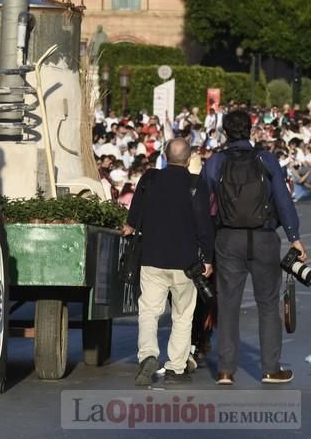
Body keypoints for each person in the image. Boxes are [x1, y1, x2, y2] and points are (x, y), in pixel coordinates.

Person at [200, 110, 306, 385]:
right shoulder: (266, 159)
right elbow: (283, 199)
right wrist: (294, 236)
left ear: (224, 131)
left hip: (228, 238)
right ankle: (271, 369)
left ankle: (225, 370)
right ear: (250, 129)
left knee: (228, 303)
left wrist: (207, 240)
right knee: (268, 304)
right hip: (263, 238)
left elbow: (204, 204)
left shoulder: (215, 163)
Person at [124, 138, 215, 386]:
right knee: (183, 315)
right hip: (186, 262)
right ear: (188, 160)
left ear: (165, 156)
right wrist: (208, 258)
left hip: (152, 257)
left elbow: (133, 217)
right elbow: (204, 227)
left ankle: (148, 355)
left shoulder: (150, 179)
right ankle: (175, 367)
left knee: (149, 312)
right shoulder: (197, 184)